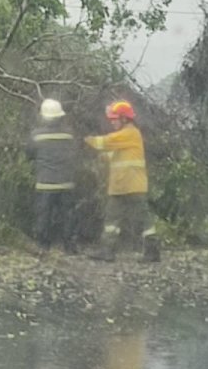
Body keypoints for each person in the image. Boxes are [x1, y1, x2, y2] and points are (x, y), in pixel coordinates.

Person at [84, 100, 158, 262]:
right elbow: (114, 155)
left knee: (143, 219)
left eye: (114, 119)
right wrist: (103, 157)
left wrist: (87, 139)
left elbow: (106, 142)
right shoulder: (125, 138)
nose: (112, 122)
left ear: (124, 118)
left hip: (133, 186)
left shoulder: (130, 133)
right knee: (112, 220)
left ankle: (152, 251)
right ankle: (107, 251)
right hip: (120, 186)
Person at [25, 99, 78, 253]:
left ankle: (43, 245)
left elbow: (29, 154)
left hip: (45, 183)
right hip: (66, 182)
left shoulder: (36, 135)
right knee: (68, 215)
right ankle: (69, 246)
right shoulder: (69, 134)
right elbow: (75, 152)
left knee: (44, 215)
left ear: (43, 117)